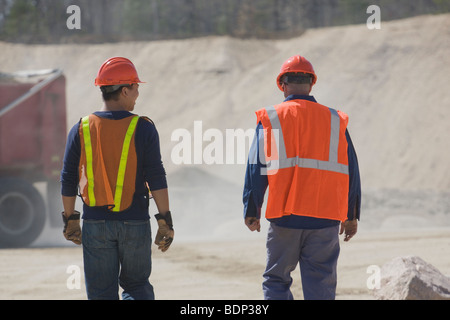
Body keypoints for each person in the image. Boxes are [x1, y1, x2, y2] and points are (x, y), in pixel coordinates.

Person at [243, 55, 361, 300]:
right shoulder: (335, 120)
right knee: (321, 282)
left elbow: (257, 167)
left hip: (285, 216)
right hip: (325, 218)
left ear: (282, 85)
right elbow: (352, 170)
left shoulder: (271, 117)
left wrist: (251, 208)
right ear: (311, 84)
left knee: (276, 280)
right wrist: (351, 215)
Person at [60, 57, 174, 300]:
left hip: (95, 224)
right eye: (135, 86)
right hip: (135, 222)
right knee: (136, 287)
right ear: (124, 90)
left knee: (101, 293)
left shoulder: (81, 128)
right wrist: (165, 219)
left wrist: (70, 219)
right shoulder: (143, 128)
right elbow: (156, 176)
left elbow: (68, 177)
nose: (137, 93)